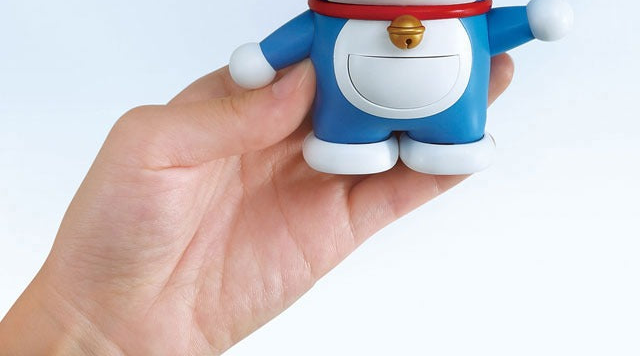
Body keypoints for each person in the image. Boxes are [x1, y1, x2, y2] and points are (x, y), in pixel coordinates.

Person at [0, 54, 514, 355]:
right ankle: (358, 140)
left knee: (448, 130)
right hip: (343, 119)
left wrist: (95, 328)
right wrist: (95, 324)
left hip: (438, 95)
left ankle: (448, 137)